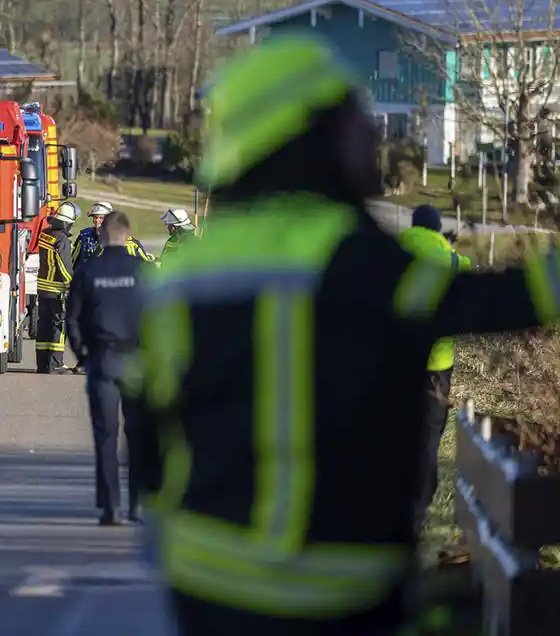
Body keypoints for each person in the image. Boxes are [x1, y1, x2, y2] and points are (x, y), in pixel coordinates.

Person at [124, 33, 560, 635]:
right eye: (351, 117)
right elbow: (492, 301)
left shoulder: (182, 271)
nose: (372, 135)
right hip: (328, 590)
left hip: (201, 577)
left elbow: (147, 433)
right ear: (304, 134)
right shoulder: (350, 255)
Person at [66, 210, 149, 526]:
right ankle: (138, 504)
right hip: (138, 361)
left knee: (105, 435)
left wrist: (83, 356)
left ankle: (110, 507)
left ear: (101, 236)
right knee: (138, 433)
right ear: (127, 235)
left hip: (102, 359)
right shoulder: (143, 271)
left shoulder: (88, 270)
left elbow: (71, 318)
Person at [400, 204, 471, 535]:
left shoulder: (392, 251)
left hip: (393, 360)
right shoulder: (453, 261)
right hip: (436, 367)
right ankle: (420, 503)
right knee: (429, 435)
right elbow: (470, 272)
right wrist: (448, 248)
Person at [36, 201, 78, 375]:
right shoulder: (61, 238)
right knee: (57, 325)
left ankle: (43, 364)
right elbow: (64, 264)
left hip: (42, 287)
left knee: (43, 325)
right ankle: (56, 364)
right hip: (56, 290)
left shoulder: (45, 234)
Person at [73, 201, 113, 268]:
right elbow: (74, 259)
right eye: (95, 217)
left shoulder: (115, 239)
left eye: (101, 218)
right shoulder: (84, 235)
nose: (97, 221)